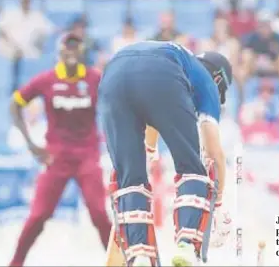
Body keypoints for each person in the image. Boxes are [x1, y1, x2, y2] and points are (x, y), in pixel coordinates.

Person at [99, 41, 233, 267]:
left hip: (113, 75)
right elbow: (213, 153)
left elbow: (151, 110)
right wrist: (217, 205)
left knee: (130, 179)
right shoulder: (206, 80)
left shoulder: (178, 61)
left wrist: (148, 153)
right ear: (217, 79)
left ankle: (140, 253)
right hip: (160, 78)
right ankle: (186, 244)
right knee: (193, 169)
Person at [9, 33, 111, 266]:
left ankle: (119, 262)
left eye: (76, 48)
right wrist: (32, 145)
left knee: (98, 213)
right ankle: (15, 263)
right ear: (60, 52)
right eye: (68, 48)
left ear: (82, 52)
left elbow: (117, 102)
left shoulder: (96, 78)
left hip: (87, 155)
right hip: (57, 157)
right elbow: (15, 104)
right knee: (38, 216)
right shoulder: (47, 79)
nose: (72, 52)